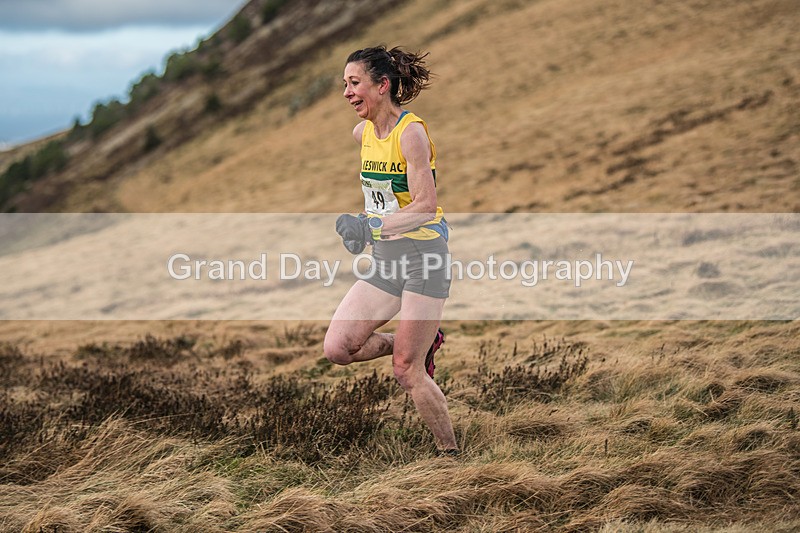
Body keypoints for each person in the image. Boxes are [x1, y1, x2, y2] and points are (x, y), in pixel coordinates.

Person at [324, 45, 458, 456]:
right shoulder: (362, 133)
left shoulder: (411, 133)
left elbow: (424, 207)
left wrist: (372, 226)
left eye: (355, 83)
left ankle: (450, 454)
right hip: (387, 261)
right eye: (345, 84)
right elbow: (380, 196)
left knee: (406, 369)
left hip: (424, 261)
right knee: (338, 348)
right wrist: (360, 222)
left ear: (382, 85)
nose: (347, 93)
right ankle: (420, 340)